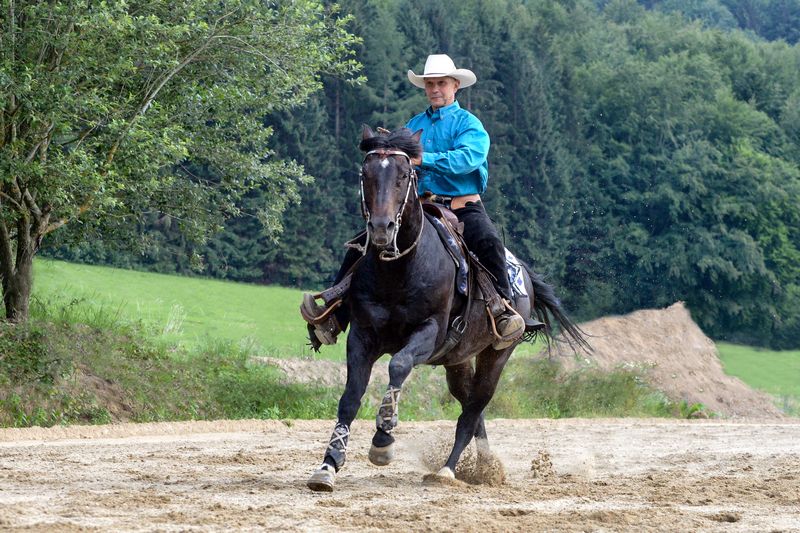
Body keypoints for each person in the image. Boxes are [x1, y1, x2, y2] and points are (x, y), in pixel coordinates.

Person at [301, 53, 526, 350]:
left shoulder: (469, 124)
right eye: (430, 84)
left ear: (455, 85)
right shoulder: (413, 125)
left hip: (462, 206)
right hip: (419, 206)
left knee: (488, 241)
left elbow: (469, 159)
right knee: (363, 245)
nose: (435, 89)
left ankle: (502, 310)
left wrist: (425, 159)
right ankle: (335, 315)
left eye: (441, 83)